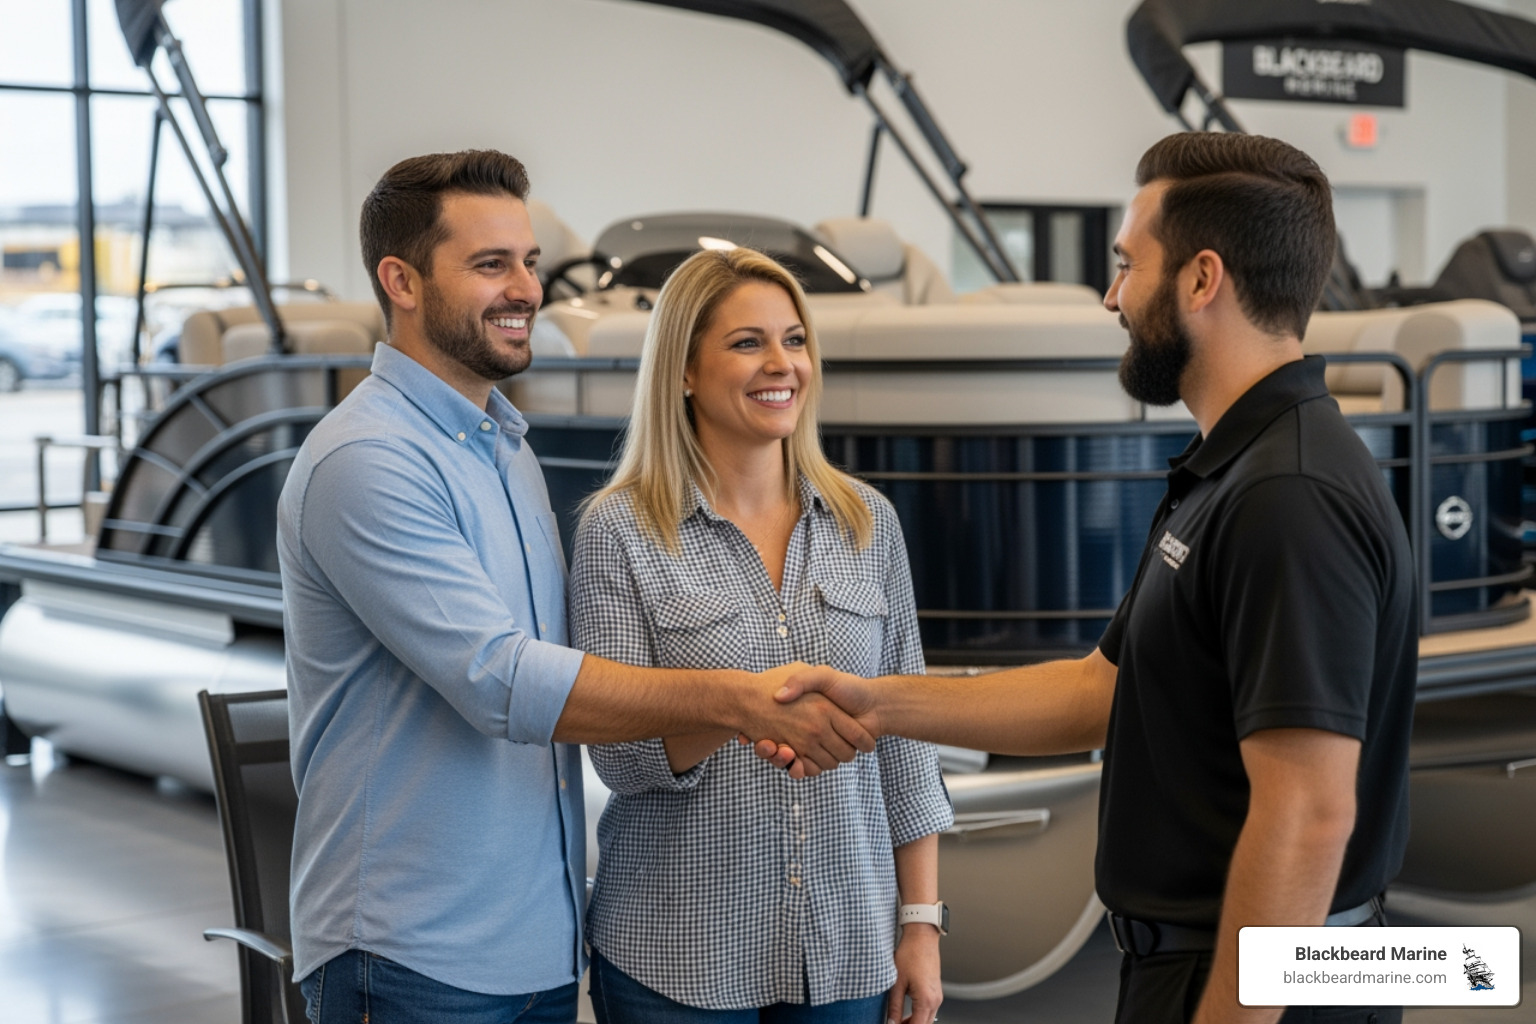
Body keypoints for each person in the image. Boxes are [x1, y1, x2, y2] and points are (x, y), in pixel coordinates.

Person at [772, 132, 1416, 1024]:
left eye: (1126, 264)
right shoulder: (1229, 471)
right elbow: (1101, 693)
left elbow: (1308, 813)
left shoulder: (1288, 493)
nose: (1113, 297)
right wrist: (875, 706)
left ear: (1201, 279)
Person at [276, 150, 875, 1024]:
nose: (525, 288)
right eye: (490, 265)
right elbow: (502, 679)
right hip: (409, 955)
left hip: (535, 944)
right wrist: (746, 701)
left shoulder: (502, 449)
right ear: (400, 281)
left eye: (529, 262)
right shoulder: (367, 460)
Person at [569, 248, 952, 1024]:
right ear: (683, 369)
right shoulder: (620, 531)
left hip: (849, 948)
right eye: (747, 343)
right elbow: (620, 755)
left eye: (795, 340)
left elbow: (909, 745)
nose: (781, 364)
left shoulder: (867, 523)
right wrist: (745, 710)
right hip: (673, 955)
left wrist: (922, 924)